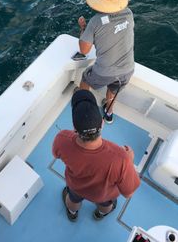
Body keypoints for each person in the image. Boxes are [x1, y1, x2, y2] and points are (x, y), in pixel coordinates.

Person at [52, 89, 140, 222]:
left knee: (73, 199)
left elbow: (56, 154)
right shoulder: (122, 158)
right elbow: (128, 193)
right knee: (106, 204)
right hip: (103, 195)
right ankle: (100, 214)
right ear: (102, 124)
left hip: (76, 187)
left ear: (74, 128)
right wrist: (129, 160)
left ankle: (72, 212)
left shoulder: (62, 138)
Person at [78, 0, 134, 124]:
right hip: (127, 70)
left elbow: (84, 50)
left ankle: (83, 108)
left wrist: (83, 28)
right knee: (113, 88)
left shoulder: (95, 21)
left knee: (85, 78)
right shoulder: (129, 13)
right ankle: (109, 113)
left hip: (105, 71)